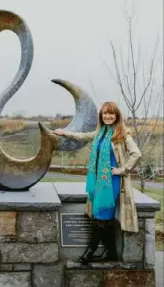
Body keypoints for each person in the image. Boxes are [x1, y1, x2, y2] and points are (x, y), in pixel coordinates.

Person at [53, 101, 142, 264]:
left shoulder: (122, 134)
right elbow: (83, 136)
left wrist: (122, 169)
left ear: (117, 116)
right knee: (103, 217)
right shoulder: (100, 132)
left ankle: (89, 252)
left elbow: (136, 154)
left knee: (101, 217)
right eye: (105, 113)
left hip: (112, 182)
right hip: (99, 181)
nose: (108, 116)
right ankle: (111, 253)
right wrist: (63, 133)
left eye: (111, 113)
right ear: (101, 116)